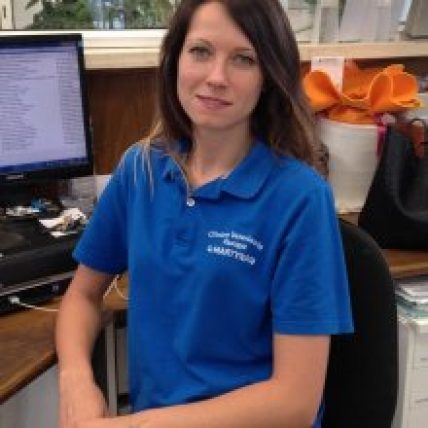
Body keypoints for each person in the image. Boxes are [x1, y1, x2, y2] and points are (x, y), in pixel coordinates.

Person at [55, 1, 353, 427]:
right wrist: (76, 380)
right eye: (200, 51)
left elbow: (295, 402)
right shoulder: (141, 169)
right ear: (175, 59)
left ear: (268, 77)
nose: (216, 77)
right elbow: (82, 296)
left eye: (243, 59)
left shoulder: (300, 198)